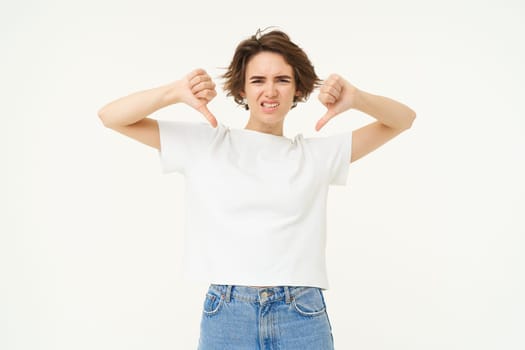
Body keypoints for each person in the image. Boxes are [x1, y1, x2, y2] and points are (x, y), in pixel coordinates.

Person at [98, 28, 415, 350]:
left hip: (301, 312)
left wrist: (358, 99)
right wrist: (174, 92)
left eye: (282, 80)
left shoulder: (316, 156)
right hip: (228, 313)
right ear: (241, 89)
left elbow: (403, 120)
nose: (271, 91)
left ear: (298, 88)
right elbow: (111, 117)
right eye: (258, 80)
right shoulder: (206, 144)